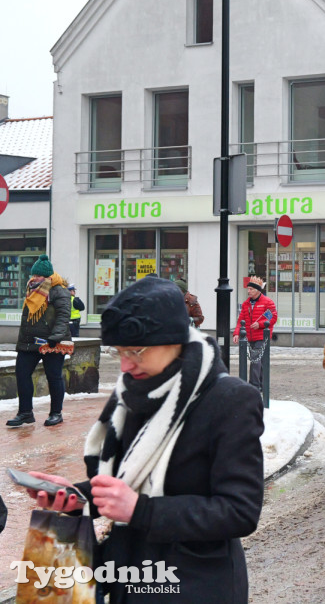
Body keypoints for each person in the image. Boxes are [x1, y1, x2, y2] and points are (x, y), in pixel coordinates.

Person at [25, 275, 264, 603]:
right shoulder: (133, 393)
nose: (125, 364)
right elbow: (125, 483)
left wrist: (141, 510)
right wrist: (73, 497)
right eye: (119, 352)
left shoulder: (231, 399)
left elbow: (240, 510)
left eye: (136, 351)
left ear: (175, 340)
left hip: (195, 586)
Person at [7, 255, 71, 428]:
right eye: (33, 275)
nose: (34, 278)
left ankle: (56, 413)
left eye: (38, 276)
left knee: (54, 377)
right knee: (22, 374)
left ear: (48, 276)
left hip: (52, 342)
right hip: (29, 341)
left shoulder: (59, 291)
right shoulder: (31, 289)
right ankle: (25, 413)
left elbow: (64, 316)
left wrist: (55, 337)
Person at [231, 275, 277, 391]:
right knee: (259, 361)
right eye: (248, 289)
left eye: (251, 289)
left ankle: (254, 385)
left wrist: (260, 324)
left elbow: (272, 318)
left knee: (255, 360)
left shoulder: (267, 302)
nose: (248, 291)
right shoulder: (246, 304)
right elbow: (241, 321)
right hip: (250, 336)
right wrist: (236, 333)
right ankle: (261, 384)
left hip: (262, 336)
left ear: (257, 290)